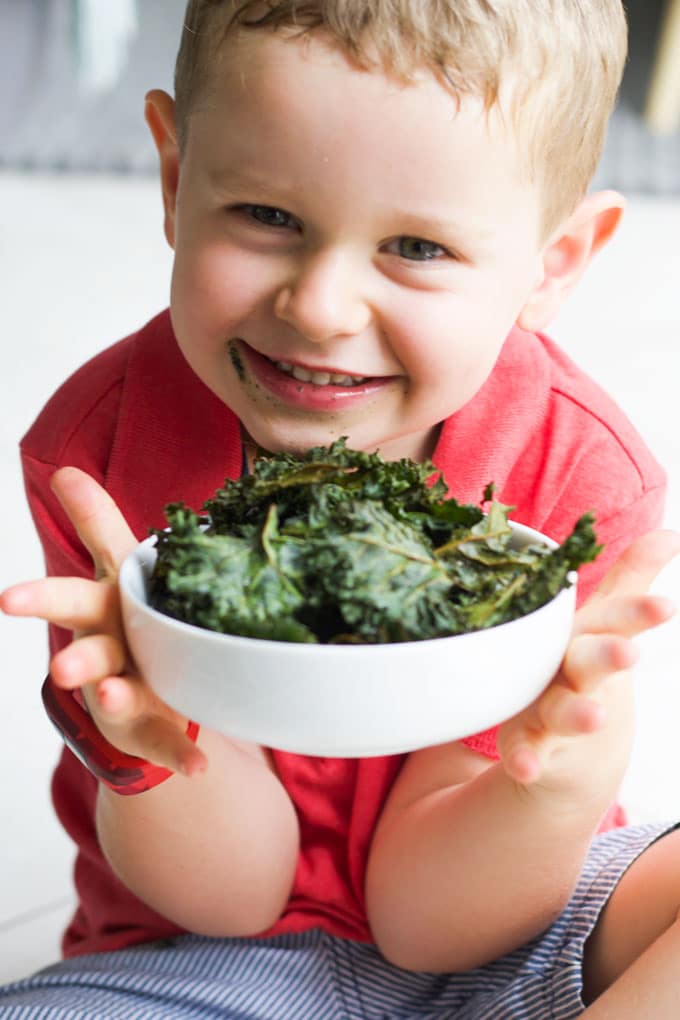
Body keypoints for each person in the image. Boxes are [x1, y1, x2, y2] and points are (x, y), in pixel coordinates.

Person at [1, 0, 679, 1016]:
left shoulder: (571, 470)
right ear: (176, 179)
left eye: (415, 246)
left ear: (554, 264)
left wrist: (562, 782)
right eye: (268, 217)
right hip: (204, 957)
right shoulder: (100, 453)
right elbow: (228, 898)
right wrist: (148, 743)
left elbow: (429, 920)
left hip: (524, 915)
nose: (318, 307)